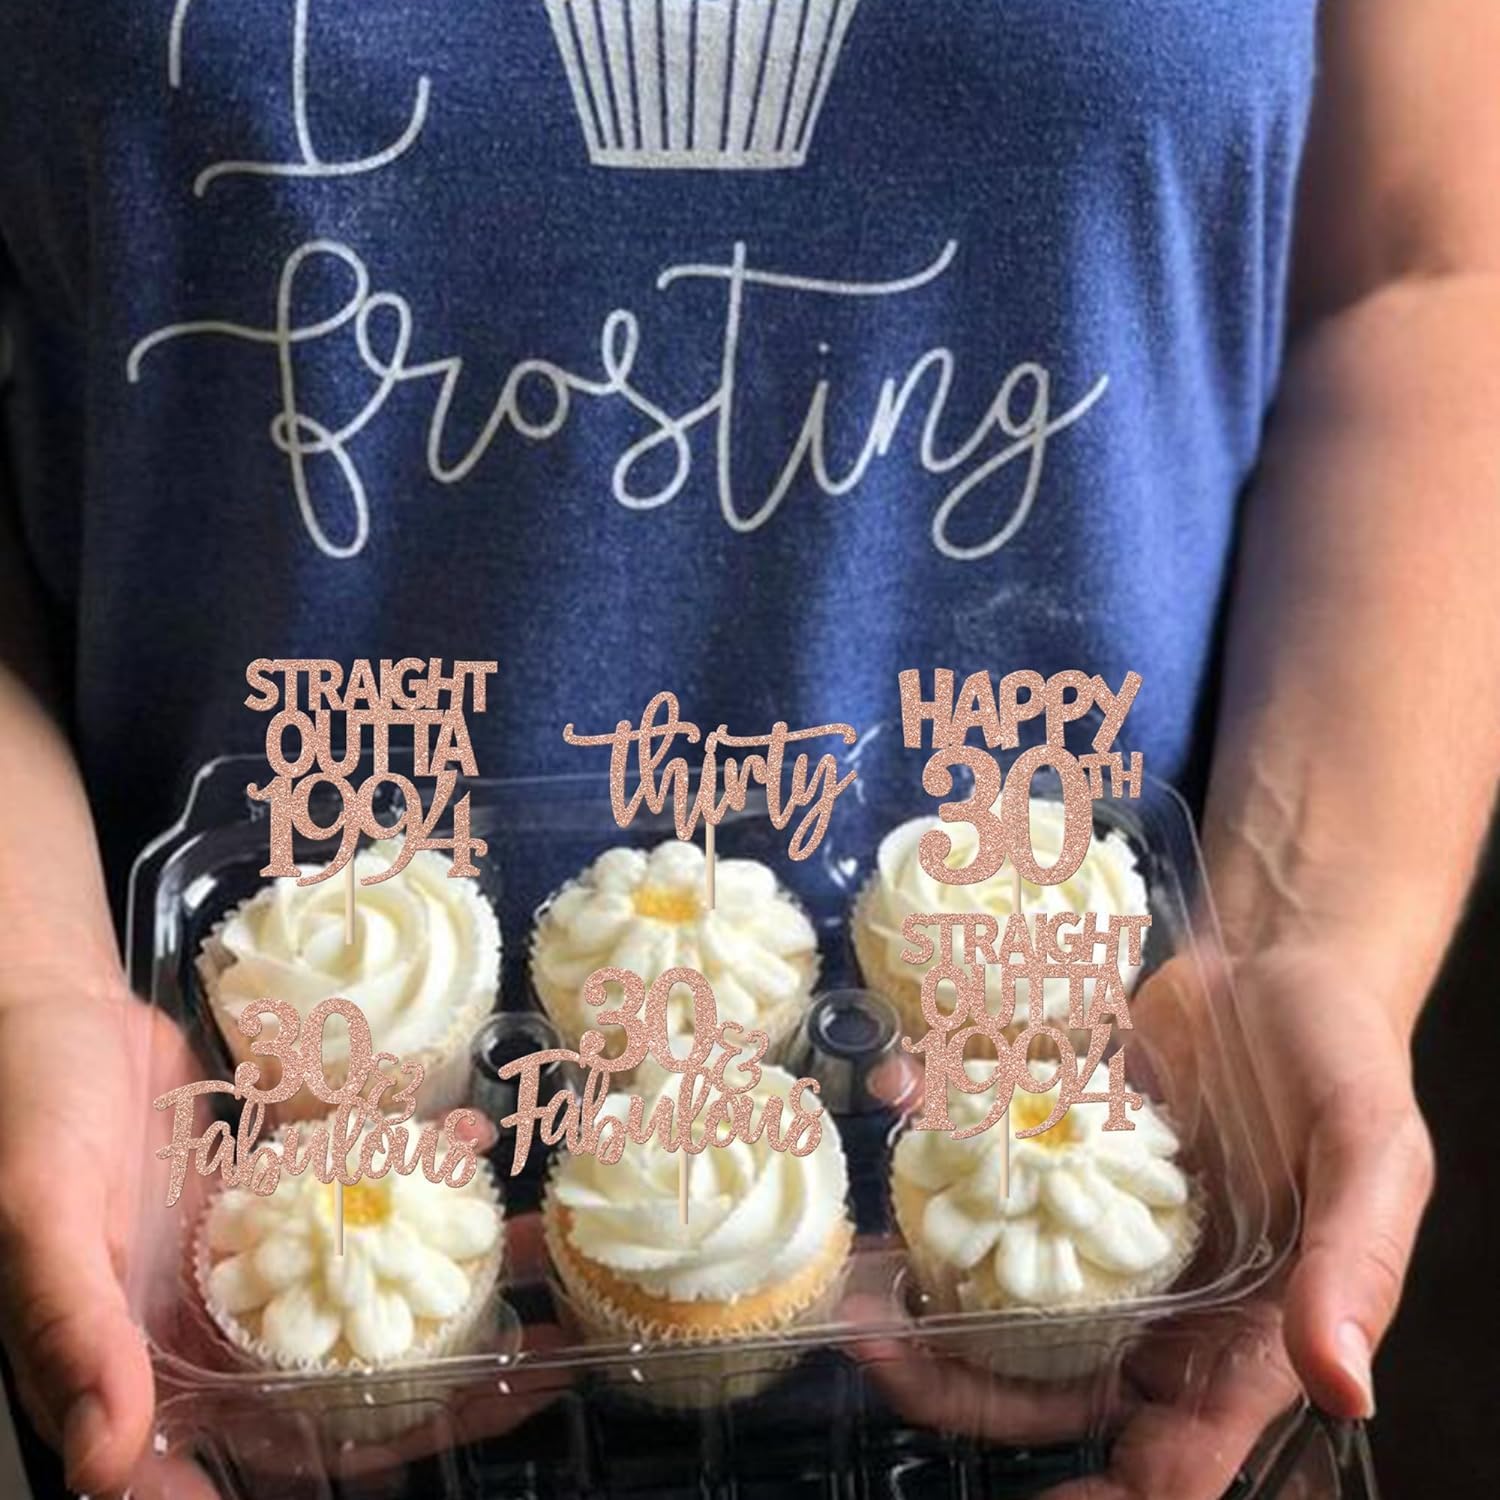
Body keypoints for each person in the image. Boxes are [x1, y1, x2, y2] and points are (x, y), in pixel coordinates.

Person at [1, 1, 1497, 1494]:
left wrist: (1298, 933)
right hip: (209, 1283)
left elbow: (1419, 271)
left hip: (1129, 1241)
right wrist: (31, 977)